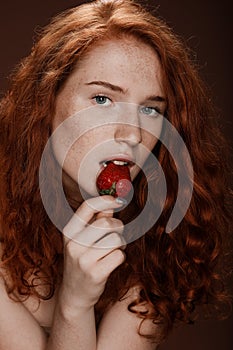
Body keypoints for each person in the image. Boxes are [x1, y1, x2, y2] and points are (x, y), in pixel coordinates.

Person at [0, 0, 232, 349]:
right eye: (103, 99)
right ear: (45, 102)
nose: (133, 134)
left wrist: (75, 307)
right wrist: (74, 303)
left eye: (150, 109)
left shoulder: (159, 239)